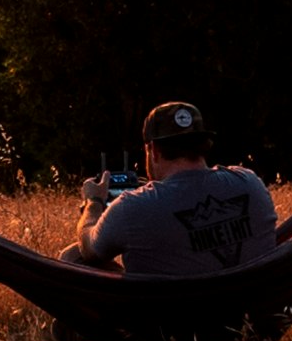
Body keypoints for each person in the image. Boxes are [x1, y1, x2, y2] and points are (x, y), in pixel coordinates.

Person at [70, 101, 277, 278]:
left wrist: (93, 203)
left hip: (169, 322)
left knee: (72, 257)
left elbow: (89, 250)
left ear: (154, 151)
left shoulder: (131, 208)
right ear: (204, 144)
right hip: (255, 314)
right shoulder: (250, 183)